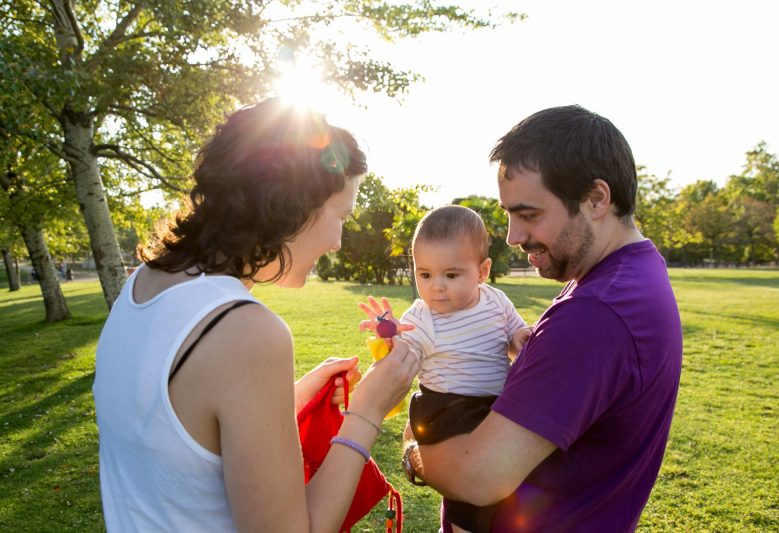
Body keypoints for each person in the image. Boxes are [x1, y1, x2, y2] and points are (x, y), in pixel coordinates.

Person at [92, 99, 420, 532]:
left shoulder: (143, 285)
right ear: (294, 207)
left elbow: (177, 435)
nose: (339, 242)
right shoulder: (244, 329)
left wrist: (293, 397)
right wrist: (368, 410)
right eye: (341, 215)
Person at [402, 105, 683, 532]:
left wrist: (411, 449)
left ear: (596, 199)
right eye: (510, 215)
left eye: (529, 215)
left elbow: (479, 478)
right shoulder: (633, 275)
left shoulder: (597, 313)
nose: (514, 235)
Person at [359, 205, 531, 533]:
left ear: (482, 272)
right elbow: (402, 356)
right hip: (446, 408)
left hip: (492, 405)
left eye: (450, 275)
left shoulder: (496, 301)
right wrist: (390, 335)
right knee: (472, 481)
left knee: (505, 473)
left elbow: (512, 336)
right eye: (425, 274)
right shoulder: (422, 318)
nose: (436, 286)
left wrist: (520, 337)